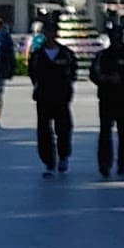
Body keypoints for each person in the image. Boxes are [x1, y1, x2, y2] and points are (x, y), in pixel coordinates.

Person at [90, 22, 124, 178]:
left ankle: (122, 163)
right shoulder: (102, 56)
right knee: (105, 133)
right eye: (114, 37)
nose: (116, 40)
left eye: (119, 37)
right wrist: (106, 79)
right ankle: (104, 164)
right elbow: (93, 74)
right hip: (106, 98)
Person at [28, 17, 79, 177]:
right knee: (44, 130)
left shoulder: (66, 54)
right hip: (43, 97)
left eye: (51, 31)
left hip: (62, 97)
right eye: (46, 32)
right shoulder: (37, 55)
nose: (49, 35)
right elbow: (33, 74)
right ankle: (49, 162)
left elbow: (72, 73)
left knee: (63, 128)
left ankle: (63, 156)